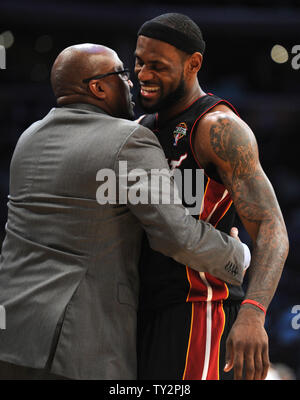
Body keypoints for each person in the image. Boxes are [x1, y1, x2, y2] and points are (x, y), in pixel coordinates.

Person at [0, 43, 249, 380]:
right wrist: (238, 254)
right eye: (121, 74)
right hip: (78, 344)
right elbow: (177, 236)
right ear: (97, 87)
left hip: (12, 334)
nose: (132, 82)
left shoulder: (28, 137)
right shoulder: (129, 139)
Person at [134, 13, 289, 381]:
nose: (142, 74)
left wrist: (254, 312)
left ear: (193, 64)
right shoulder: (142, 129)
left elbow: (272, 226)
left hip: (198, 311)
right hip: (140, 311)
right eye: (139, 62)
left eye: (157, 65)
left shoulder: (218, 127)